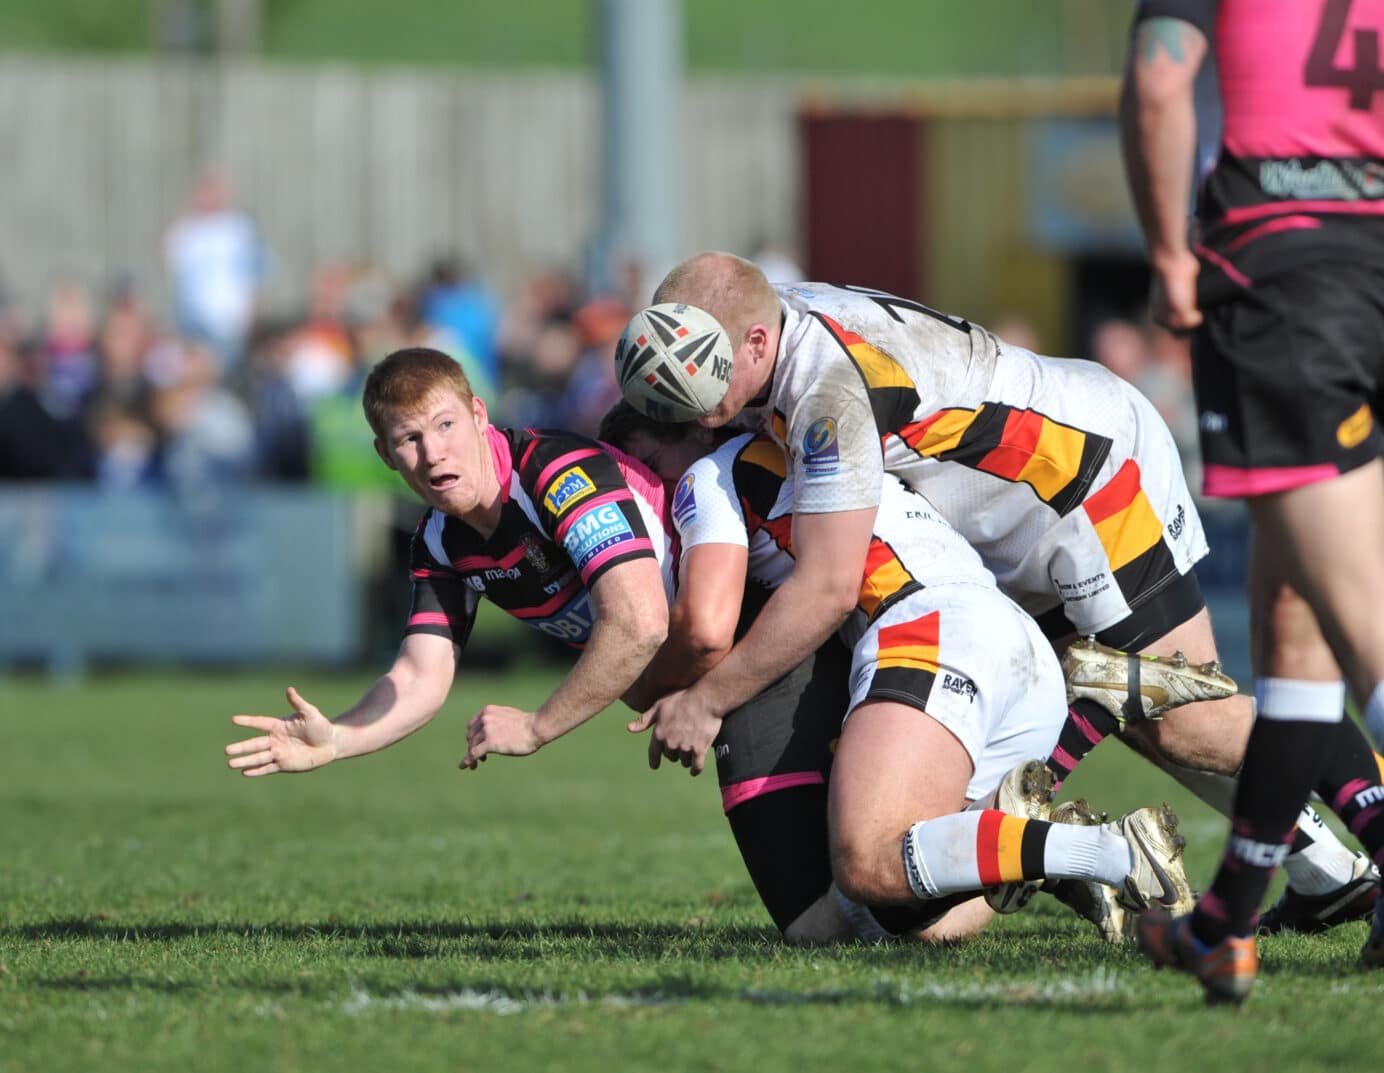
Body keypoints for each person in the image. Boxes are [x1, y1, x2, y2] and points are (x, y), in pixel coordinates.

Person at [619, 253, 1380, 933]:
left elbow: (825, 588)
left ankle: (1356, 835)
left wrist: (710, 699)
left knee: (1187, 716)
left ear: (754, 341)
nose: (695, 397)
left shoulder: (827, 388)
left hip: (1087, 479)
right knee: (1158, 713)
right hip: (1017, 511)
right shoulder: (769, 321)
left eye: (708, 372)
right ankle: (1330, 877)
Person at [603, 403, 1205, 944]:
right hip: (1012, 648)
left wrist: (679, 694)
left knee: (871, 864)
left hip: (929, 630)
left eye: (652, 463)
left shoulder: (709, 476)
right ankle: (1083, 721)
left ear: (691, 428)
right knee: (910, 917)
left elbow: (706, 625)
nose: (653, 486)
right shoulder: (814, 447)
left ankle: (1110, 854)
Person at [1119, 0, 1384, 1003]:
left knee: (1362, 630)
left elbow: (1157, 81)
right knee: (1293, 618)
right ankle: (1225, 920)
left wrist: (1171, 254)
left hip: (1286, 277)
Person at [224, 346, 669, 780]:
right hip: (691, 667)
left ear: (479, 415)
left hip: (733, 631)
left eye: (445, 425)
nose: (433, 453)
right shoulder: (440, 541)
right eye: (409, 439)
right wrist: (338, 739)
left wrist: (538, 726)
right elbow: (419, 676)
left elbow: (639, 624)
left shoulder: (555, 473)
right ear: (386, 455)